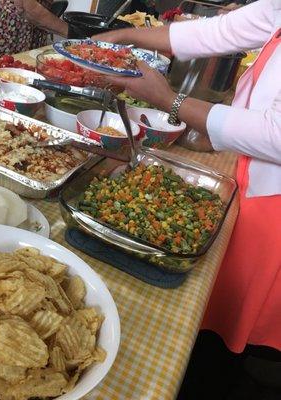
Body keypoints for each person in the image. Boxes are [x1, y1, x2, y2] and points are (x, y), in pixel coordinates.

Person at [94, 0, 281, 353]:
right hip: (252, 178)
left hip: (275, 206)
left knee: (247, 319)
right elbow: (214, 32)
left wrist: (168, 100)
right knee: (219, 301)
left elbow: (276, 134)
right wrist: (124, 34)